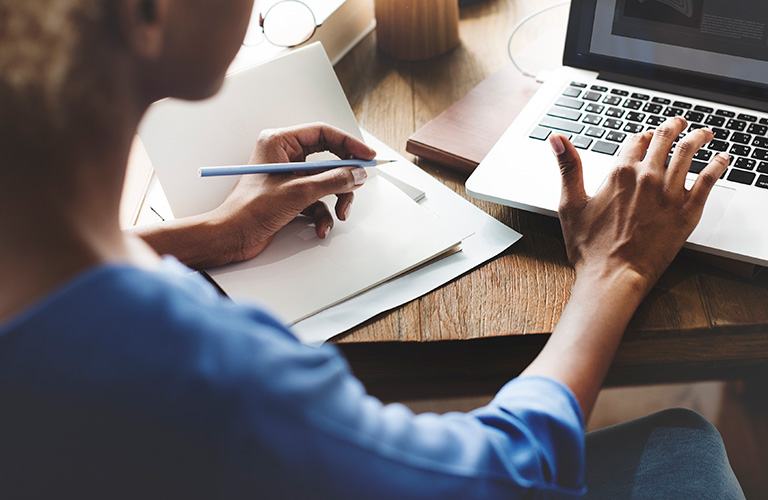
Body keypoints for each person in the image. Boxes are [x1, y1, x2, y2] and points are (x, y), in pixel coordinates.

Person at [0, 1, 745, 498]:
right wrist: (615, 270)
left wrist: (206, 236)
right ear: (147, 14)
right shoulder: (205, 378)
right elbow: (505, 473)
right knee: (685, 447)